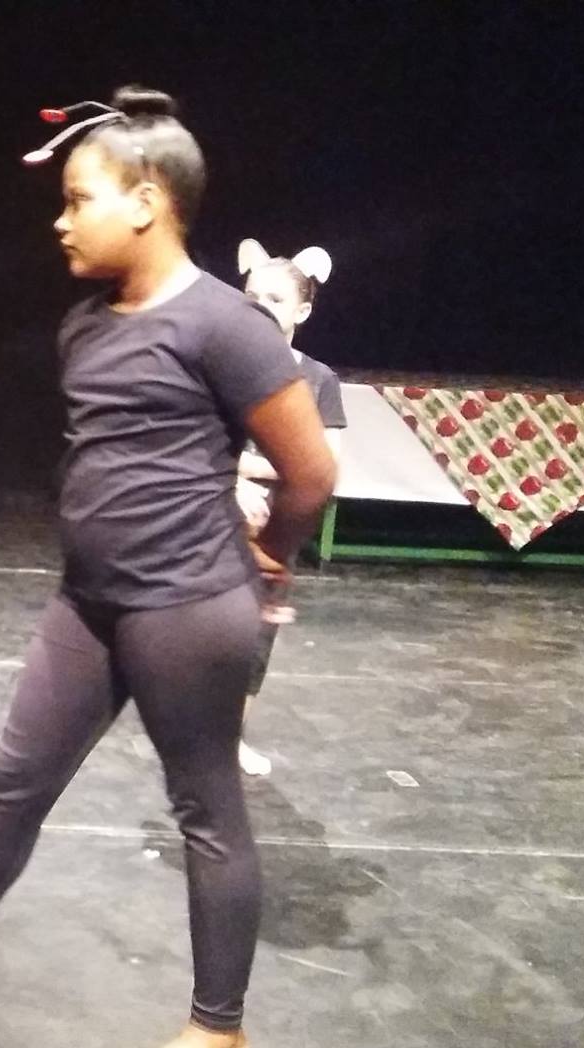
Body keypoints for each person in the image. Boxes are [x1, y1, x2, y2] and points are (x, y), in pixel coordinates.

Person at [0, 88, 337, 1048]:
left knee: (206, 811)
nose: (61, 222)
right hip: (89, 603)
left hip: (185, 609)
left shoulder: (225, 325)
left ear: (146, 203)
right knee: (14, 780)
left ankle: (218, 1033)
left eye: (78, 200)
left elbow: (310, 470)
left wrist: (269, 555)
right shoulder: (84, 325)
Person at [232, 238, 346, 776]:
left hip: (273, 535)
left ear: (302, 311)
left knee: (255, 642)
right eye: (252, 295)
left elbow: (327, 465)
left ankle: (228, 739)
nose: (260, 307)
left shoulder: (317, 381)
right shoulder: (220, 366)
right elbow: (189, 445)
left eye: (275, 299)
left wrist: (248, 467)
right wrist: (229, 479)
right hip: (213, 521)